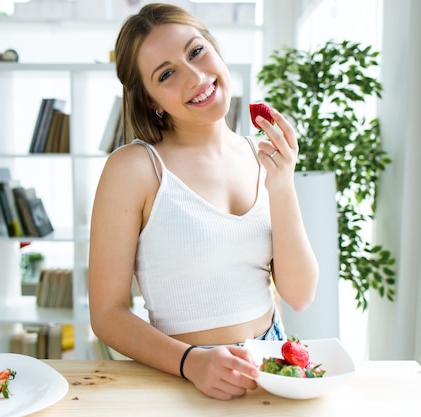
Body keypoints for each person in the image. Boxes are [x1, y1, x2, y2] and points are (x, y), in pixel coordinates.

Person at [88, 3, 319, 401]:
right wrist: (191, 362)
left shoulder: (262, 157)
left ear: (215, 49)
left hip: (270, 365)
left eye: (196, 52)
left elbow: (299, 294)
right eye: (166, 74)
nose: (195, 77)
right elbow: (107, 313)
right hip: (181, 375)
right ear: (151, 101)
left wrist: (282, 185)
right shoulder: (135, 169)